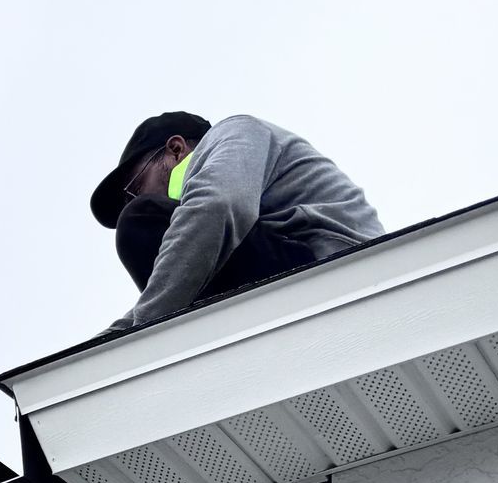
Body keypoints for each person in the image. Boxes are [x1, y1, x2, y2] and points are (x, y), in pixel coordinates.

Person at [91, 111, 383, 331]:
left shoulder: (235, 131)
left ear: (176, 149)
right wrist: (104, 348)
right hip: (303, 269)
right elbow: (156, 295)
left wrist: (143, 338)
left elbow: (217, 207)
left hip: (331, 267)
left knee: (140, 221)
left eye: (134, 189)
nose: (133, 201)